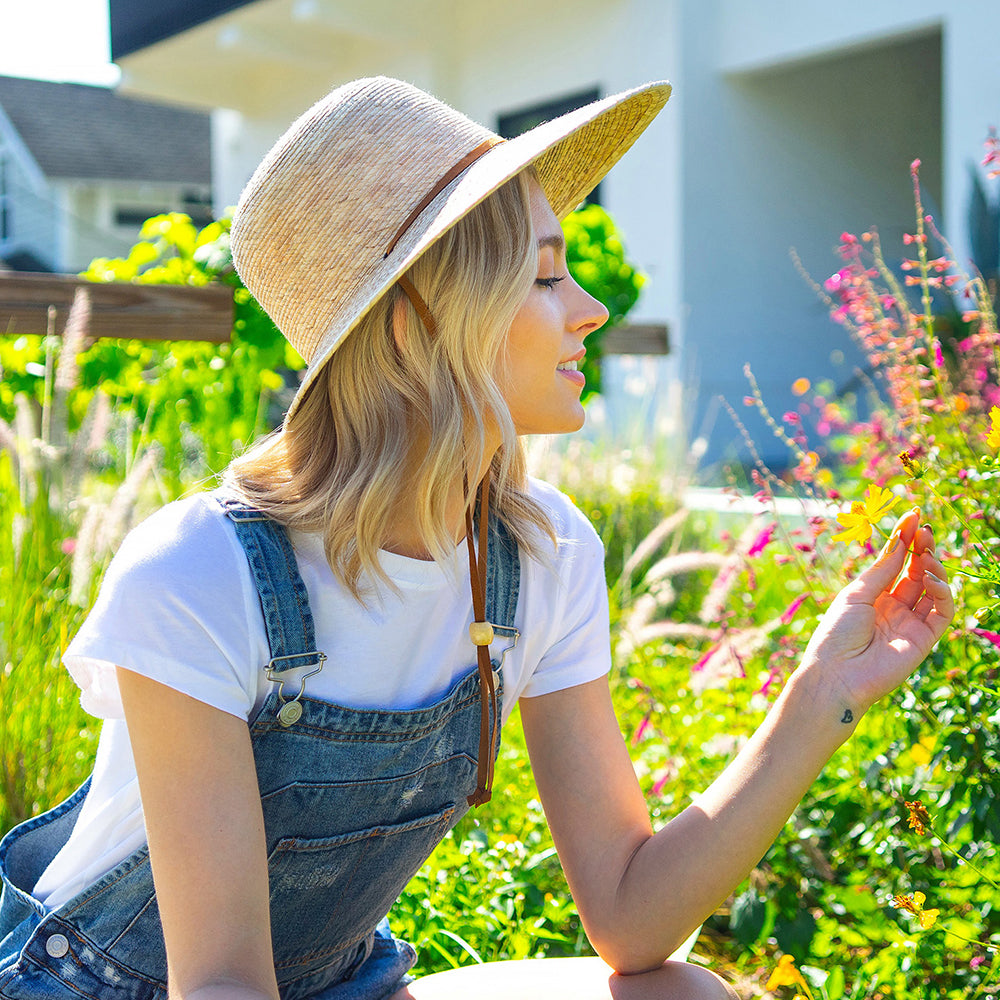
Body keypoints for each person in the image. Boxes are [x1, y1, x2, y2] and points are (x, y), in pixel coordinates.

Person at [0, 77, 953, 1000]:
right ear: (418, 322)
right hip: (113, 989)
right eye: (544, 274)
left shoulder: (541, 557)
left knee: (683, 993)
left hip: (343, 984)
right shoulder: (203, 572)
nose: (591, 309)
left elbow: (631, 917)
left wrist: (825, 689)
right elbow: (217, 983)